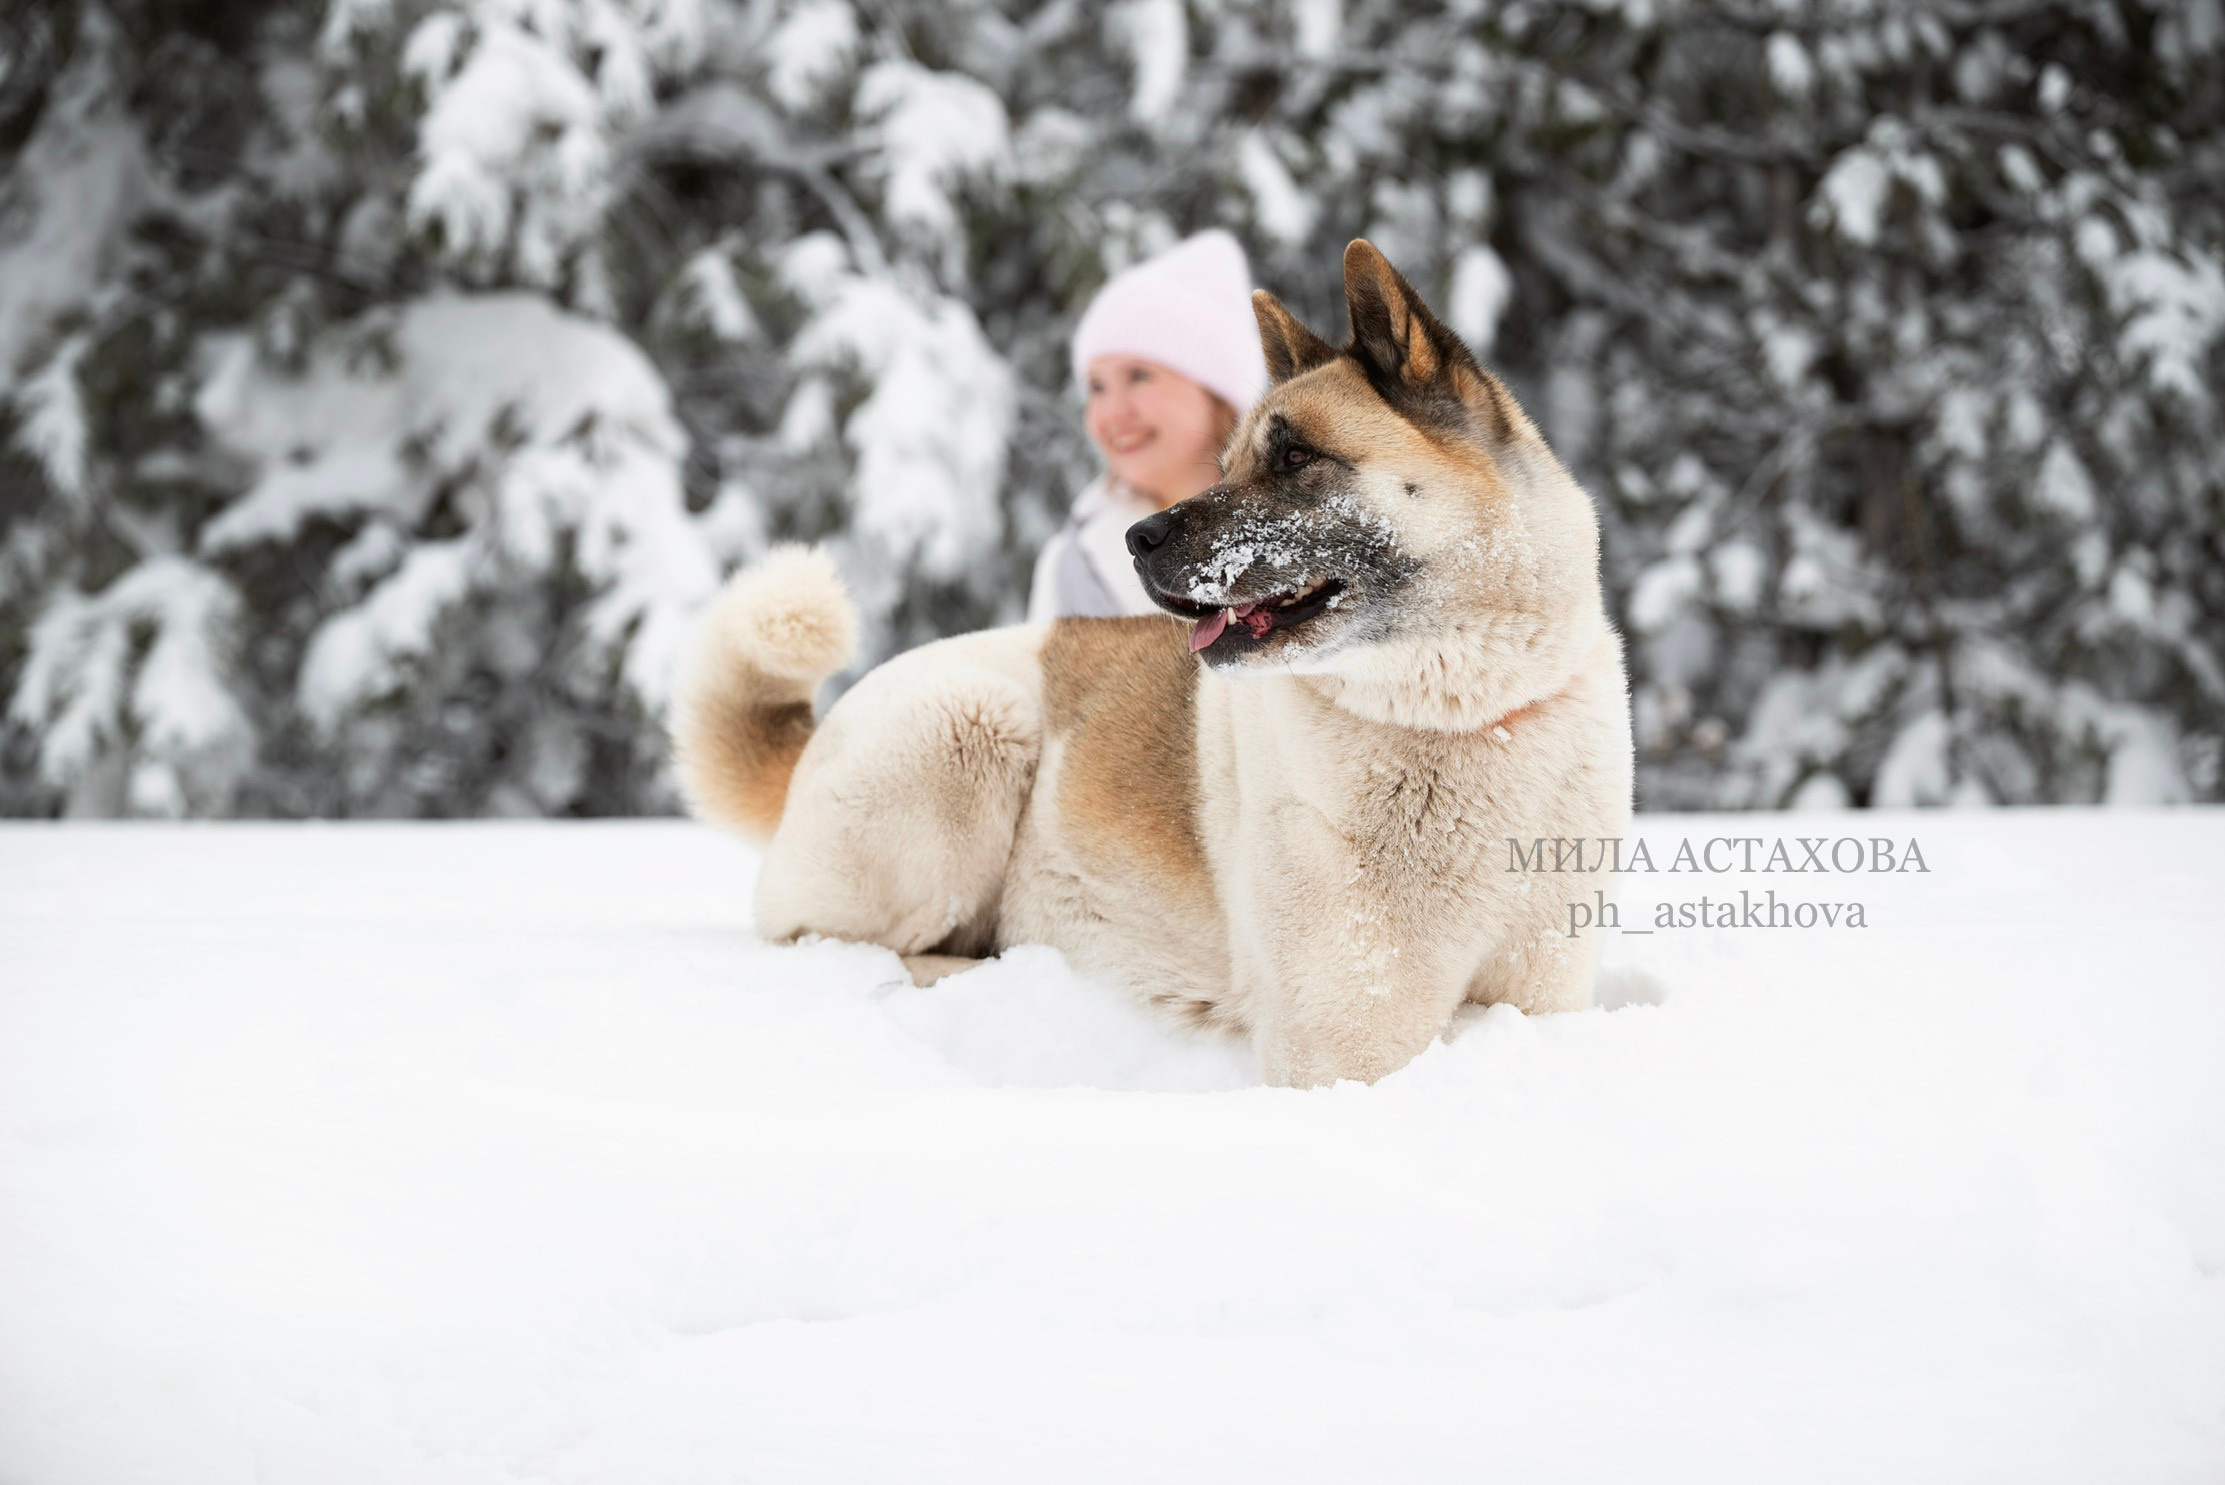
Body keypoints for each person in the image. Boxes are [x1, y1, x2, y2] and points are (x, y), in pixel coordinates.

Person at [1028, 231, 1269, 622]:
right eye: (1096, 387)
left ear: (1217, 394)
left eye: (1139, 376)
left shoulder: (1303, 526)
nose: (1112, 412)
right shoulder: (1071, 569)